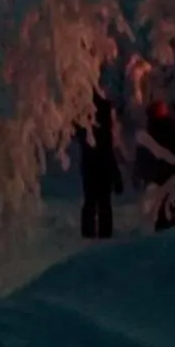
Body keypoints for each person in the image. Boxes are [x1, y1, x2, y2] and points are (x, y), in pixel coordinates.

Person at [135, 101, 175, 231]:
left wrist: (142, 175)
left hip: (164, 177)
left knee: (165, 209)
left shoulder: (153, 131)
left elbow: (144, 158)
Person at [76, 92, 122, 239]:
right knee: (102, 203)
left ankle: (89, 234)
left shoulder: (87, 127)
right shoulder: (102, 130)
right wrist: (115, 175)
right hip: (101, 169)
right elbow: (107, 153)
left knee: (92, 201)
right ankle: (103, 235)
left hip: (91, 168)